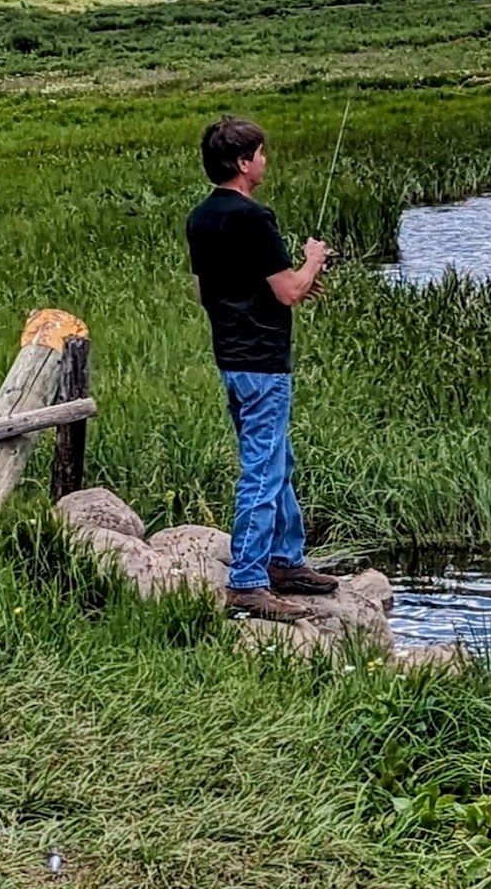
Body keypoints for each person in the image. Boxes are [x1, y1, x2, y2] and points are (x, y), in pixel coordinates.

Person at [185, 115, 339, 621]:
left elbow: (209, 290)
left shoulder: (201, 218)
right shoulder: (255, 217)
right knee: (263, 470)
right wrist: (312, 259)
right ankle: (249, 580)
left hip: (232, 358)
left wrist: (264, 294)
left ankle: (285, 560)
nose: (265, 161)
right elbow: (290, 291)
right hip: (263, 363)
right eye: (261, 154)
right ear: (243, 163)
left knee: (278, 460)